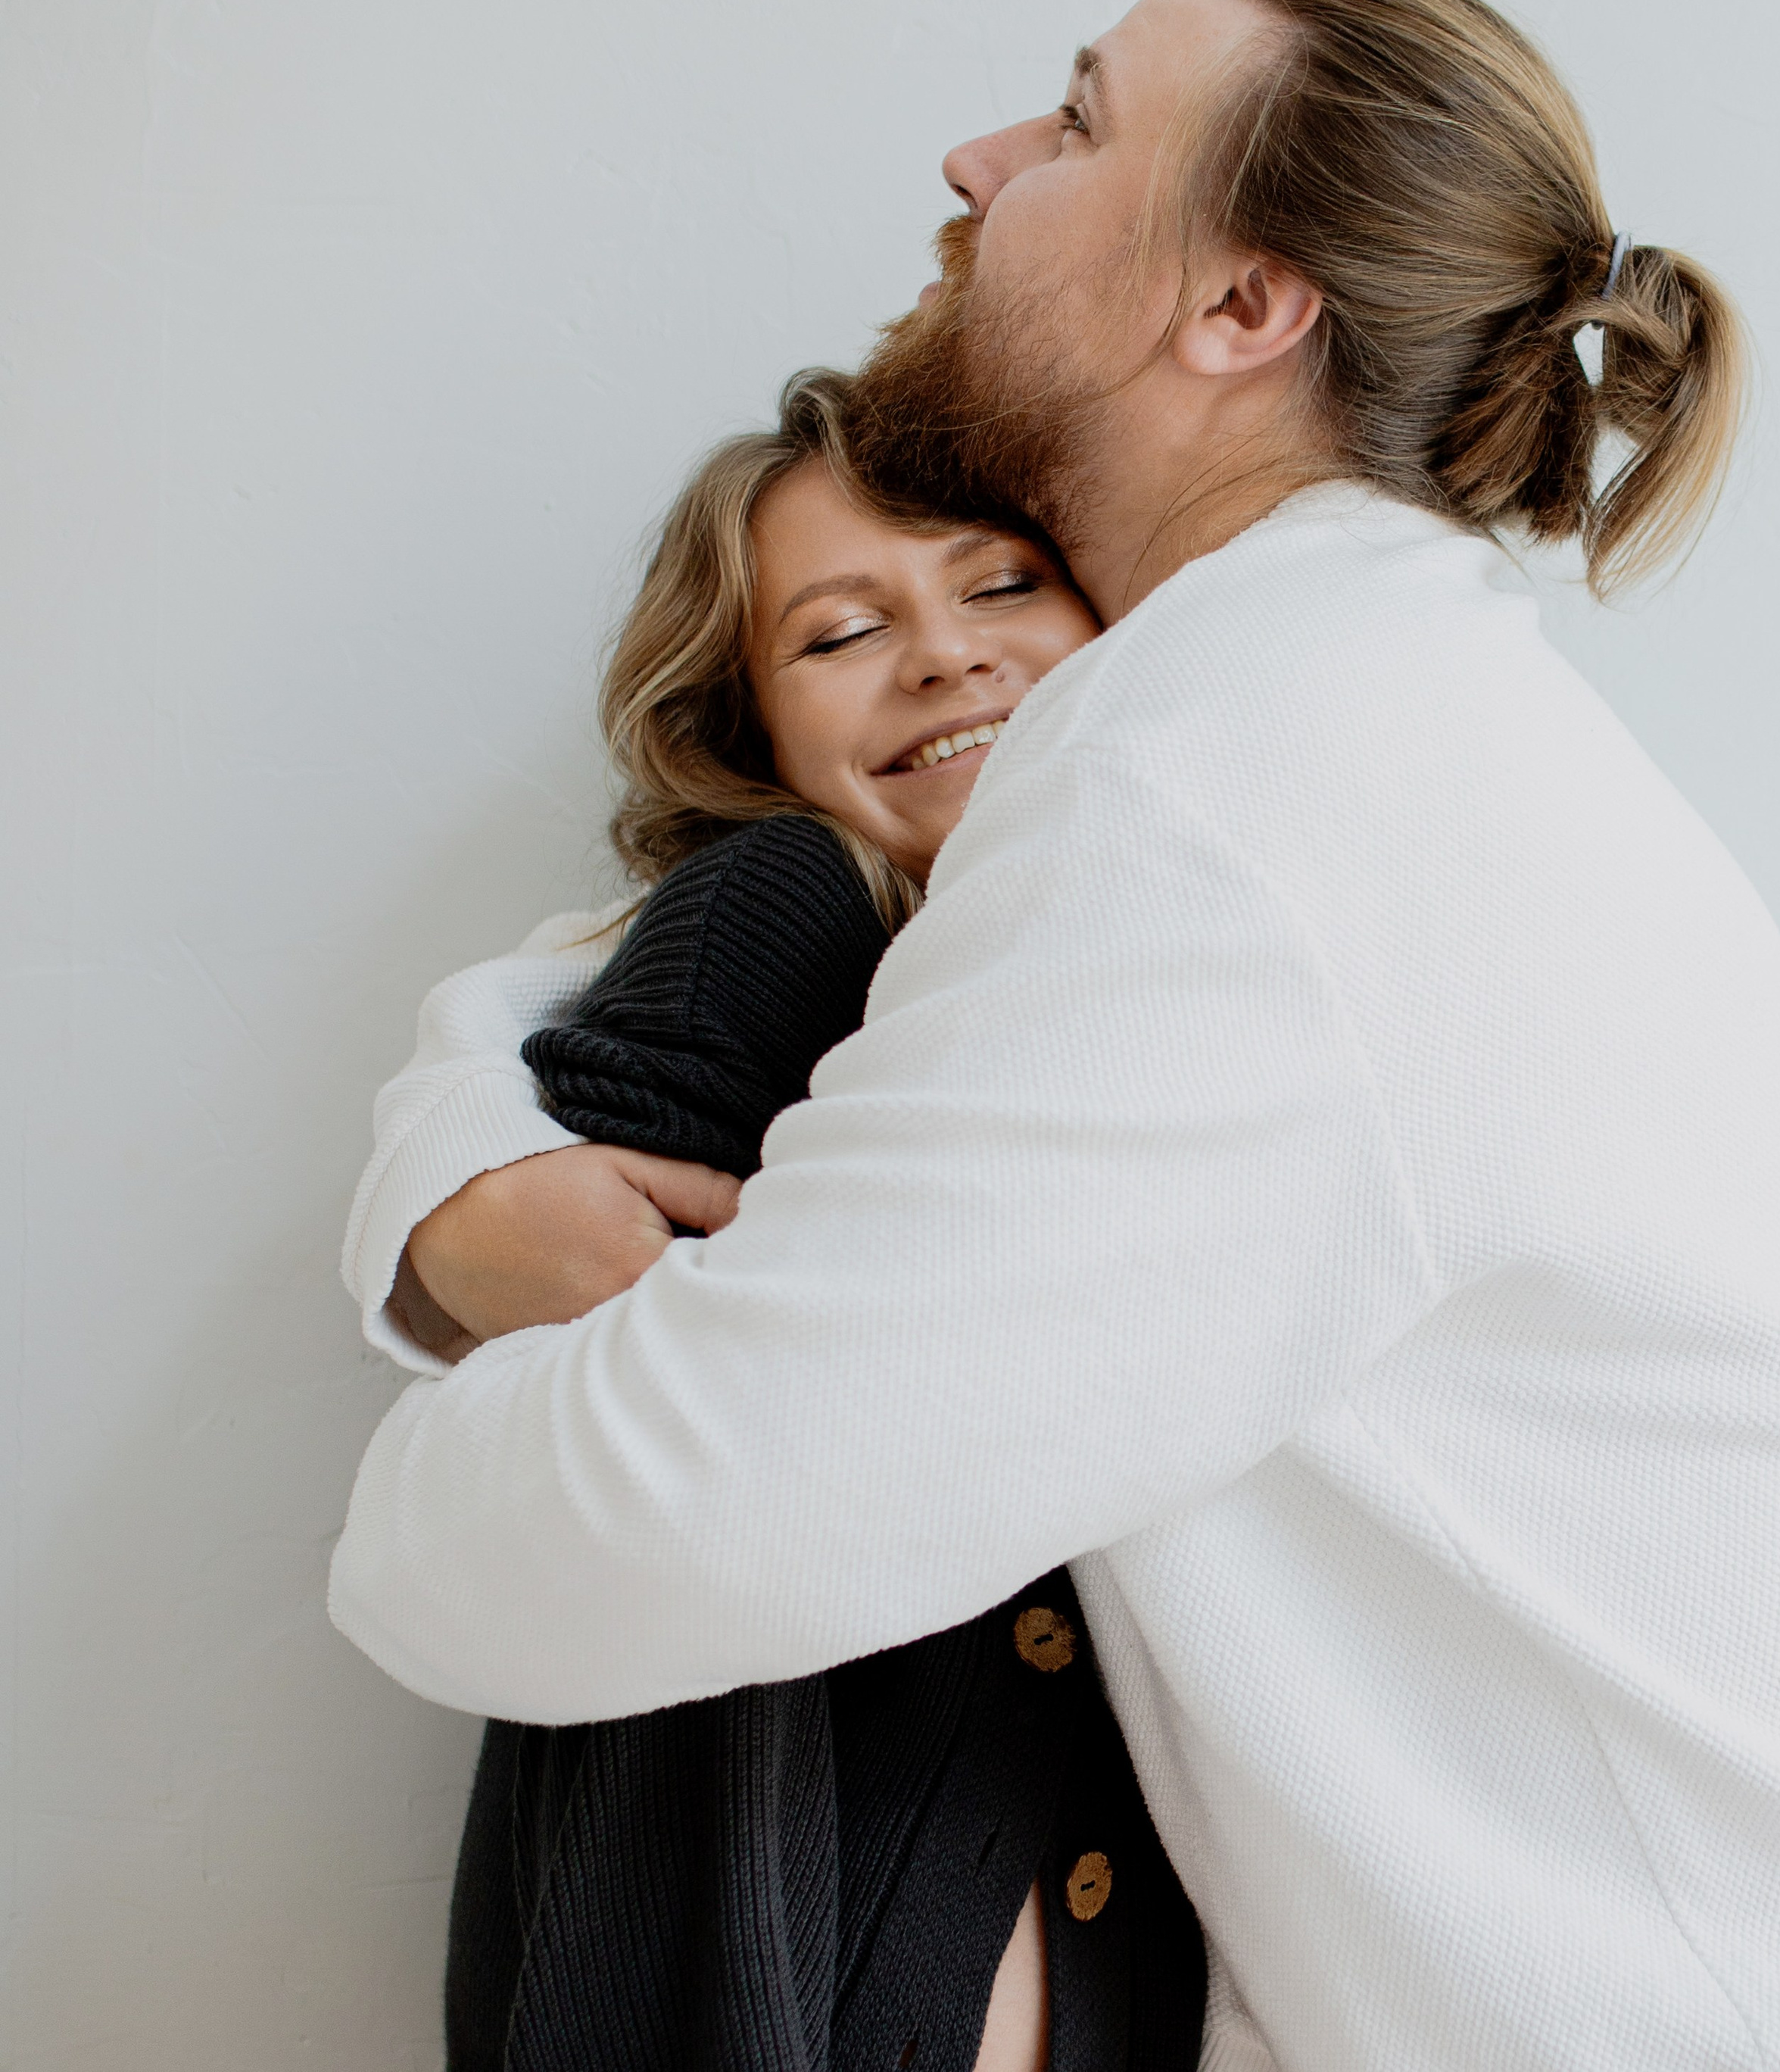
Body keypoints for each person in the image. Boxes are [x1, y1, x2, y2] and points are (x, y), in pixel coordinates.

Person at [333, 0, 1780, 2070]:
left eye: (1079, 119)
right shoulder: (1352, 718)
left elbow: (662, 1518)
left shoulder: (1233, 789)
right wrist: (457, 1172)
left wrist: (432, 1472)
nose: (982, 158)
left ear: (1245, 304)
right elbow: (622, 986)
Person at [373, 370, 1206, 2072]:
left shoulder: (1137, 950)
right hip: (816, 1913)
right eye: (839, 633)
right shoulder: (781, 904)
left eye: (998, 585)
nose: (944, 655)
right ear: (748, 723)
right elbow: (631, 1470)